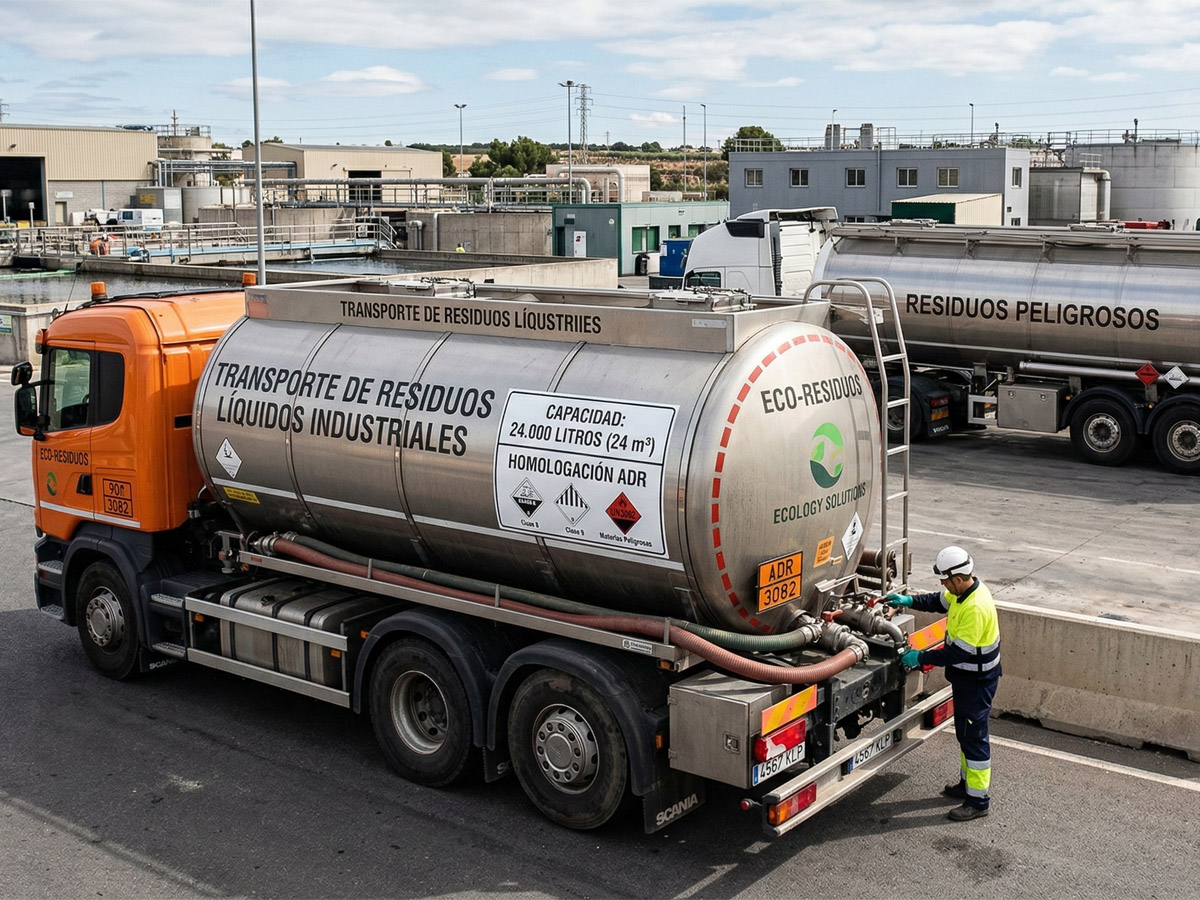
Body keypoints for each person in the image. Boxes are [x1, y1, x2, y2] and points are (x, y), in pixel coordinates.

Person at [887, 545, 1001, 822]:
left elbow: (958, 653)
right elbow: (938, 601)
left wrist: (920, 657)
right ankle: (967, 785)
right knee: (966, 734)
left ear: (958, 578)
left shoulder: (975, 607)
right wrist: (908, 601)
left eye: (945, 580)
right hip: (969, 680)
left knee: (974, 739)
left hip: (977, 683)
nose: (943, 585)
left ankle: (978, 801)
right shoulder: (965, 592)